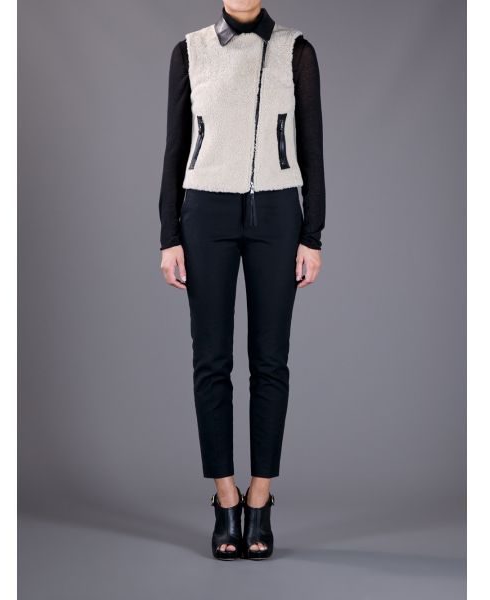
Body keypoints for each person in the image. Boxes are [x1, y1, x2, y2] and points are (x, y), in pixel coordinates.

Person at [158, 0, 325, 560]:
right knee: (211, 359)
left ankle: (260, 498)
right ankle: (225, 497)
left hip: (277, 215)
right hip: (204, 214)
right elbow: (175, 147)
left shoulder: (296, 50)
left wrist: (312, 235)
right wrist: (169, 235)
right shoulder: (190, 50)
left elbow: (312, 148)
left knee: (270, 361)